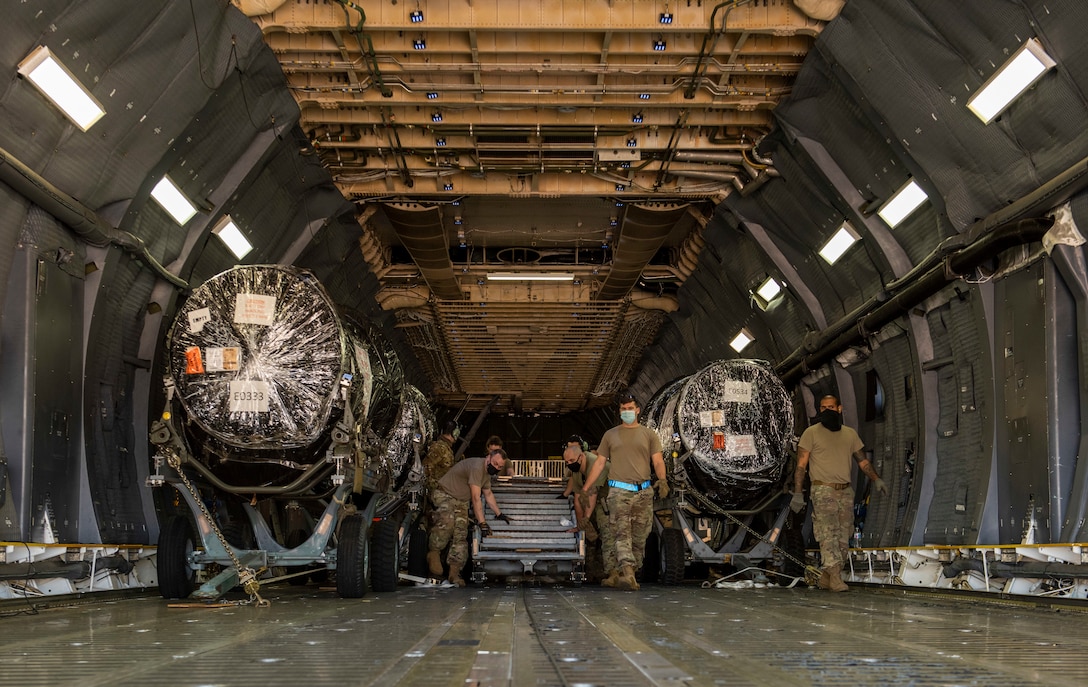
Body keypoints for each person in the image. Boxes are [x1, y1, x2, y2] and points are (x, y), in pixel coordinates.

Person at [790, 394, 889, 592]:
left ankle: (827, 577)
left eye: (830, 407)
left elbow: (862, 461)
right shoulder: (811, 433)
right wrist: (798, 493)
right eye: (823, 407)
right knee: (827, 534)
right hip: (822, 489)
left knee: (844, 536)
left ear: (840, 409)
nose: (827, 411)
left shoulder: (850, 434)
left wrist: (875, 479)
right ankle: (835, 578)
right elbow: (801, 466)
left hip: (845, 491)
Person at [583, 394, 668, 591]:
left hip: (643, 492)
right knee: (622, 533)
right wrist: (586, 488)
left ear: (637, 410)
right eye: (623, 409)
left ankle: (628, 572)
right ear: (619, 412)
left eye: (630, 408)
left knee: (640, 536)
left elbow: (657, 460)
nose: (627, 412)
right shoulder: (610, 435)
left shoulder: (649, 435)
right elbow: (599, 464)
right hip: (619, 491)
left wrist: (662, 479)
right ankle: (628, 574)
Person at [427, 448, 512, 587]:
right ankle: (434, 553)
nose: (496, 467)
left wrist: (499, 514)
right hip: (445, 494)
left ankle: (454, 572)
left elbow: (488, 494)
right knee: (447, 522)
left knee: (461, 533)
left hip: (460, 501)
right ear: (488, 458)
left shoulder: (486, 474)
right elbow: (475, 497)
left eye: (500, 467)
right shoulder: (477, 467)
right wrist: (482, 523)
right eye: (495, 463)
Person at [559, 435, 618, 586]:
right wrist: (581, 523)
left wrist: (585, 519)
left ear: (581, 456)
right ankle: (593, 573)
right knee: (591, 539)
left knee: (607, 536)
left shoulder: (594, 463)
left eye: (571, 461)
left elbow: (592, 492)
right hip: (596, 503)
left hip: (610, 500)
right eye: (566, 462)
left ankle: (613, 573)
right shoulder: (577, 469)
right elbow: (578, 497)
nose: (569, 464)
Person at [423, 421, 459, 496]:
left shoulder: (446, 448)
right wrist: (439, 487)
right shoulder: (438, 448)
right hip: (438, 493)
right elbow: (426, 471)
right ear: (454, 433)